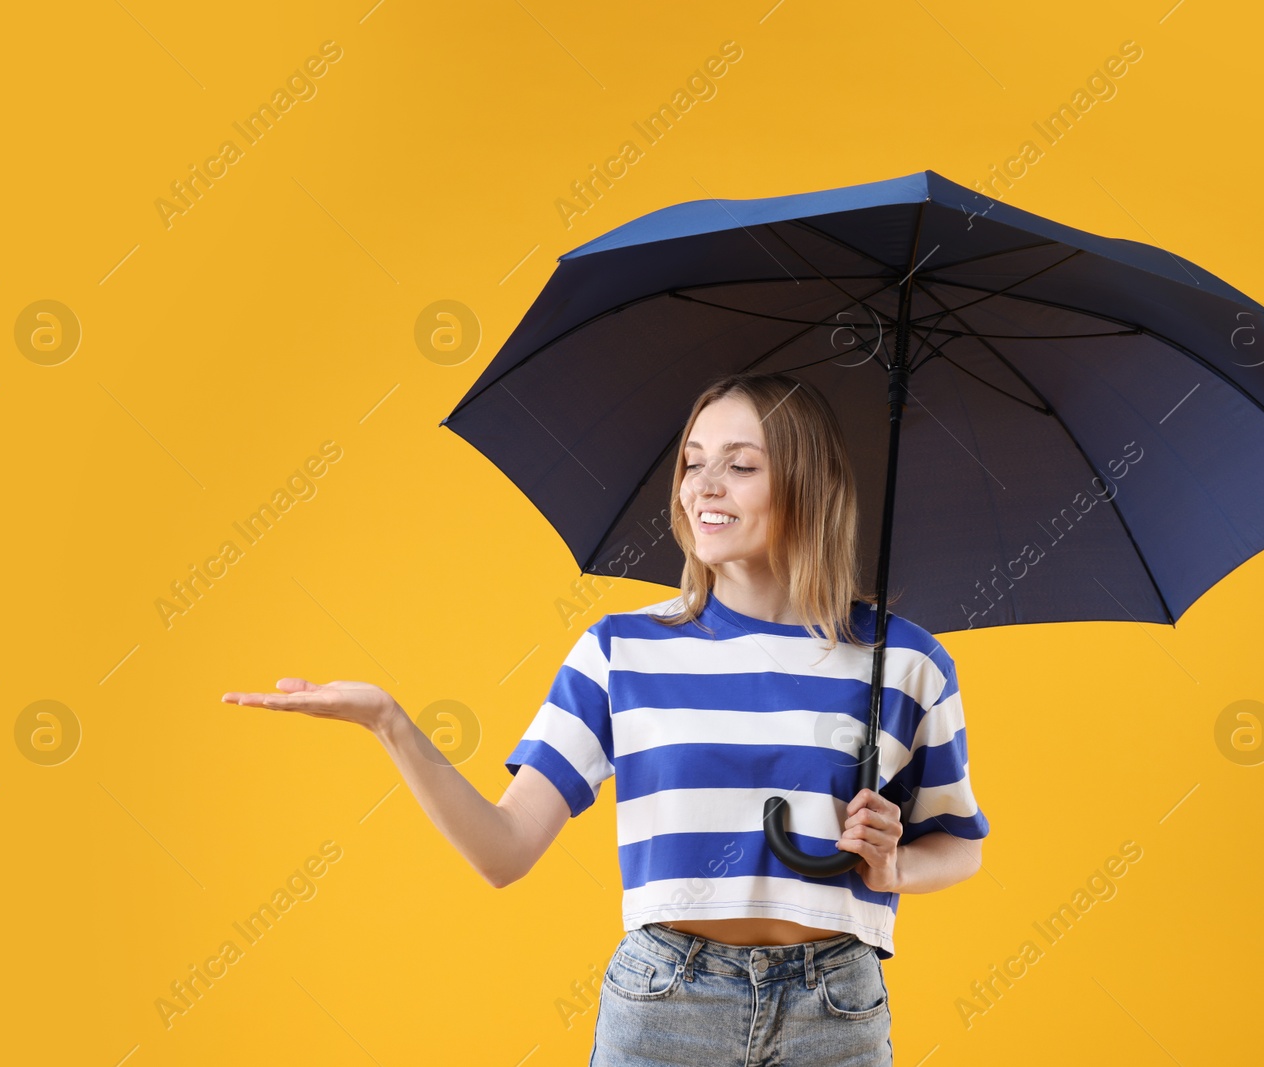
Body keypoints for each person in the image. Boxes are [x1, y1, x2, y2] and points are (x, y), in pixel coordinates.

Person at [221, 372, 989, 1066]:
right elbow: (504, 850)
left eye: (741, 464)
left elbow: (958, 847)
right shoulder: (621, 653)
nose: (703, 487)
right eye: (692, 461)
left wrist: (895, 868)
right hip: (665, 1005)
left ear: (810, 485)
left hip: (837, 1008)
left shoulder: (905, 663)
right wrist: (388, 720)